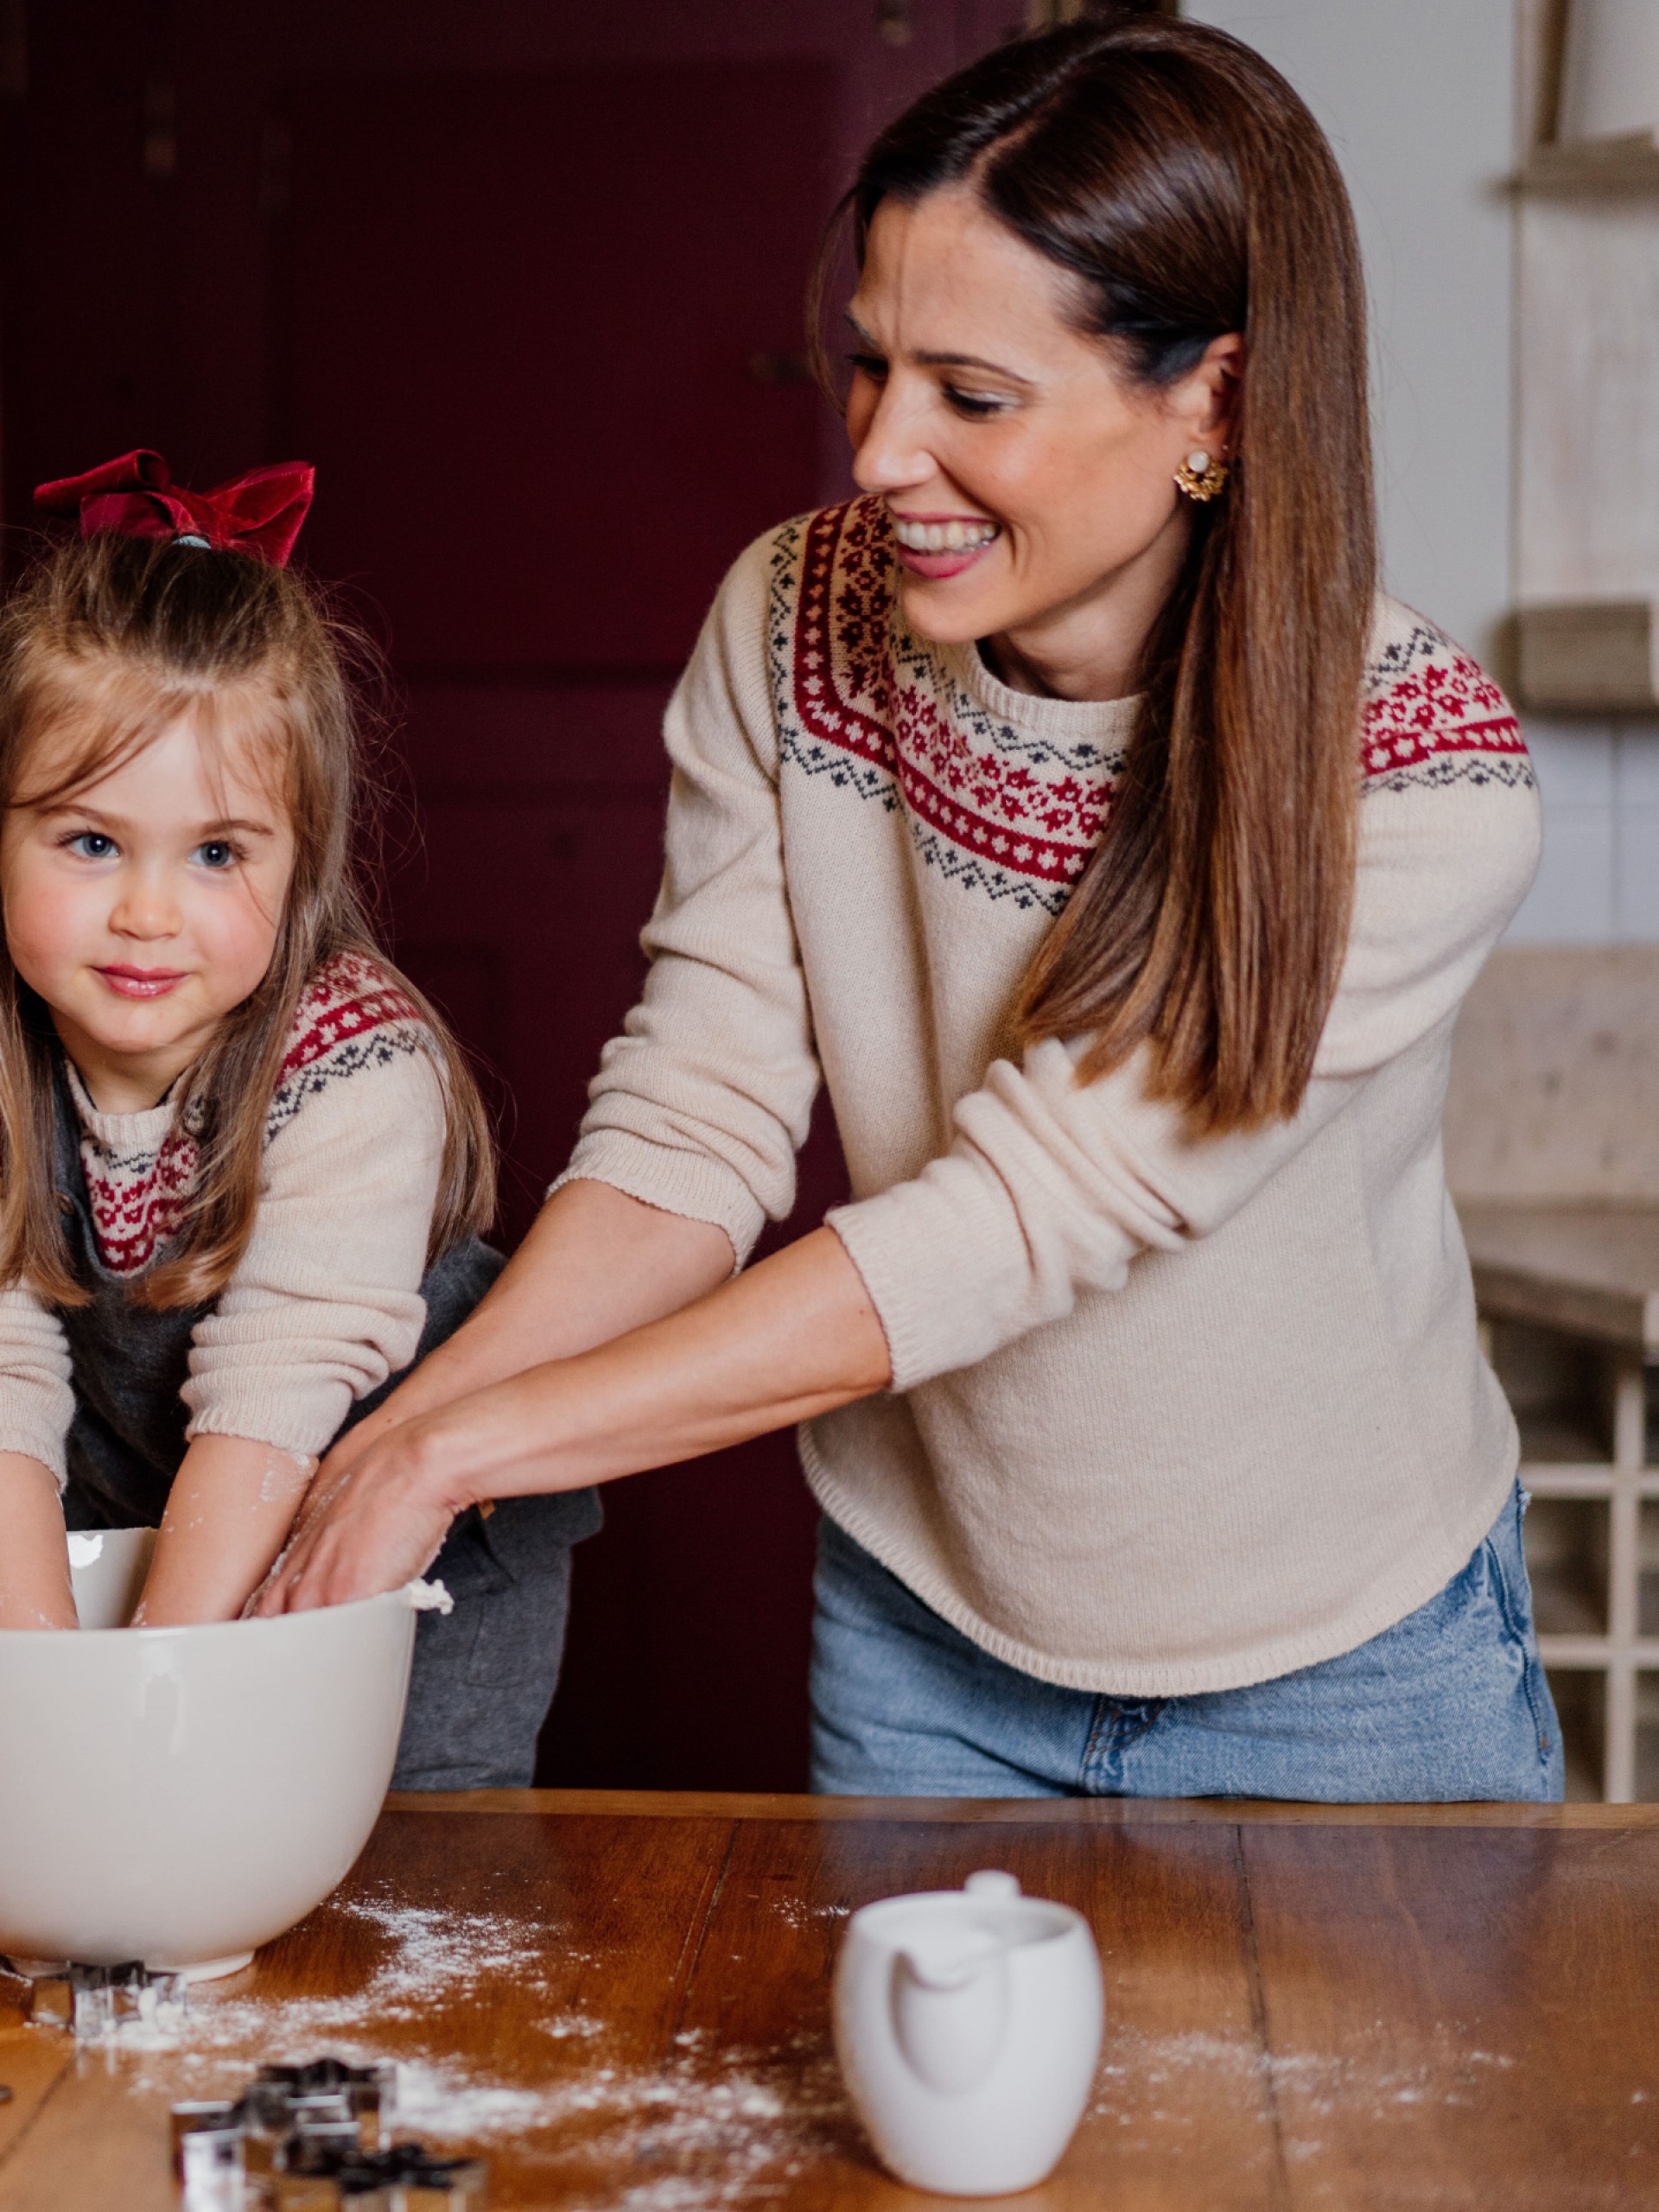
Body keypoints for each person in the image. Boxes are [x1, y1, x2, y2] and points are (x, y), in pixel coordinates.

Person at [264, 17, 1561, 1802]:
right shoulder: (795, 619)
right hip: (926, 1631)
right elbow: (695, 1117)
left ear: (1218, 403)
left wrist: (458, 1453)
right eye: (871, 368)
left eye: (974, 394)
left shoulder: (1413, 779)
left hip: (1346, 1665)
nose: (876, 451)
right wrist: (399, 1432)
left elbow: (1018, 1220)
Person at [0, 450, 597, 1788]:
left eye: (217, 853)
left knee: (391, 1877)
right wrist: (42, 1711)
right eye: (91, 842)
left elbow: (273, 1400)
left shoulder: (353, 1065)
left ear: (302, 858)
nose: (150, 913)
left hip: (399, 1560)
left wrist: (150, 1699)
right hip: (140, 1521)